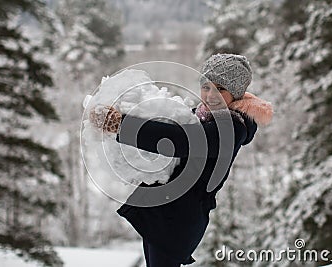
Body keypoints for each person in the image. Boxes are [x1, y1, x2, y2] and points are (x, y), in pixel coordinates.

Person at [89, 53, 273, 267]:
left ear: (236, 93)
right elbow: (171, 128)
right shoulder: (204, 115)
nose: (210, 94)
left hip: (179, 220)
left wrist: (120, 125)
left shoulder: (231, 128)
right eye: (206, 86)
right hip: (163, 212)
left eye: (220, 89)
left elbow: (179, 139)